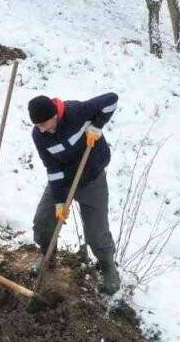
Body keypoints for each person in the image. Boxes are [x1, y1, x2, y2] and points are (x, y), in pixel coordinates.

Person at [27, 92, 122, 295]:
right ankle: (47, 256)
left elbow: (111, 100)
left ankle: (108, 268)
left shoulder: (77, 112)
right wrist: (60, 202)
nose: (42, 129)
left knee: (97, 234)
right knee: (43, 222)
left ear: (55, 115)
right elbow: (51, 167)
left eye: (44, 123)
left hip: (92, 179)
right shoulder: (39, 136)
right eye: (38, 126)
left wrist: (97, 126)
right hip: (64, 181)